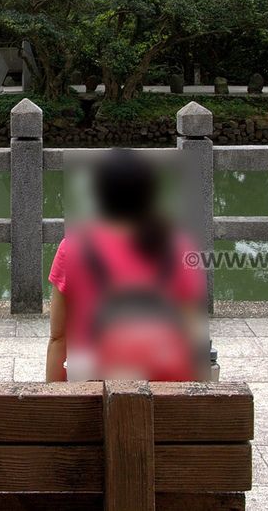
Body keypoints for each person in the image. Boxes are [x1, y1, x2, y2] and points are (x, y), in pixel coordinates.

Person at [45, 149, 207, 382]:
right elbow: (194, 336)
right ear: (150, 194)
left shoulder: (73, 248)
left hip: (95, 392)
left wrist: (55, 406)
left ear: (98, 194)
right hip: (166, 395)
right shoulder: (178, 246)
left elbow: (58, 338)